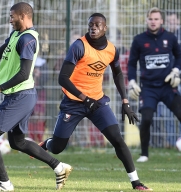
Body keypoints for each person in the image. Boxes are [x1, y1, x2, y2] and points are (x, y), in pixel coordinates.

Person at [0, 2, 72, 191]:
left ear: (24, 16)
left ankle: (5, 183)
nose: (10, 20)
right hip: (18, 96)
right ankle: (59, 167)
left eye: (12, 16)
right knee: (17, 142)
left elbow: (24, 74)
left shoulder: (28, 40)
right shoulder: (16, 35)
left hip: (21, 96)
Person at [38, 13, 152, 191]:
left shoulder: (112, 50)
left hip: (97, 102)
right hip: (74, 102)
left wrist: (125, 102)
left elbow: (118, 74)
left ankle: (136, 183)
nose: (94, 28)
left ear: (105, 28)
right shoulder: (78, 46)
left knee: (118, 140)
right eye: (91, 25)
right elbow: (63, 78)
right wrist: (85, 98)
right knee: (58, 148)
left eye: (98, 25)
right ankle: (47, 143)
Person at [127, 7, 181, 162]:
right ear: (146, 20)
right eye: (150, 19)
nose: (153, 21)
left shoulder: (170, 37)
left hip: (167, 86)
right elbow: (131, 64)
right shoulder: (138, 40)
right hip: (149, 88)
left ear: (161, 21)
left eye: (156, 19)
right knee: (147, 118)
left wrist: (177, 71)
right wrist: (131, 81)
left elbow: (179, 56)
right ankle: (144, 154)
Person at [28, 54, 47, 143]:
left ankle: (40, 139)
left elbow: (46, 78)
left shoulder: (43, 63)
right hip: (30, 92)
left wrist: (39, 77)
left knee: (40, 114)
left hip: (40, 92)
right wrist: (34, 76)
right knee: (32, 115)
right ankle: (31, 138)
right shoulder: (28, 60)